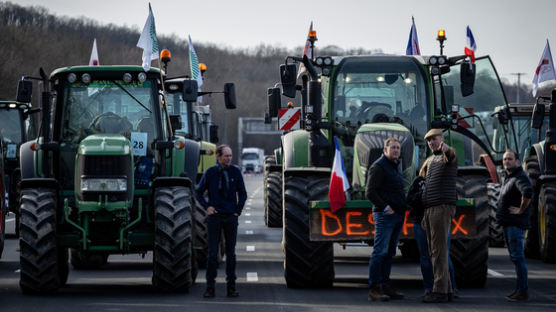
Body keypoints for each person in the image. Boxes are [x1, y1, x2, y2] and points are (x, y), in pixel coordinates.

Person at [195, 144, 247, 298]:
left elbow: (243, 193)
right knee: (212, 254)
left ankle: (231, 287)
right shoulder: (210, 172)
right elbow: (198, 192)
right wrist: (207, 207)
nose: (229, 158)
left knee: (231, 254)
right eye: (226, 156)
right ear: (218, 157)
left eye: (230, 156)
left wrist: (238, 210)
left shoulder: (235, 171)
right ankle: (210, 287)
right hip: (215, 217)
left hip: (231, 217)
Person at [407, 162, 457, 298]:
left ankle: (450, 288)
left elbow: (453, 199)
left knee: (443, 256)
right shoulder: (418, 182)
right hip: (420, 224)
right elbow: (410, 199)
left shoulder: (444, 183)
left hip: (440, 223)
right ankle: (429, 288)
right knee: (425, 257)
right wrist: (424, 193)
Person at [365, 137, 406, 301]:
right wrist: (385, 207)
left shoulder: (394, 166)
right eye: (393, 148)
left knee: (390, 252)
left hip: (397, 215)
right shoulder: (379, 167)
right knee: (380, 251)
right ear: (385, 150)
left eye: (398, 148)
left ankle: (385, 285)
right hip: (385, 216)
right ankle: (374, 289)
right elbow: (370, 192)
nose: (396, 150)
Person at [421, 129, 457, 303]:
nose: (431, 142)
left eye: (434, 139)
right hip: (431, 208)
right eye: (429, 140)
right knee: (436, 250)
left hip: (441, 207)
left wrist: (446, 149)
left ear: (442, 139)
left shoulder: (447, 155)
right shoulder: (432, 159)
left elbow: (450, 155)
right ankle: (447, 290)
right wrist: (425, 214)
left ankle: (440, 291)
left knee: (438, 251)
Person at [496, 149, 533, 302]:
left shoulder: (519, 176)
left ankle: (522, 291)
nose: (506, 162)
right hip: (509, 224)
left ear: (517, 161)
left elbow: (528, 192)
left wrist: (521, 209)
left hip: (515, 225)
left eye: (510, 159)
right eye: (505, 159)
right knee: (516, 258)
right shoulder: (510, 177)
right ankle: (519, 290)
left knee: (518, 258)